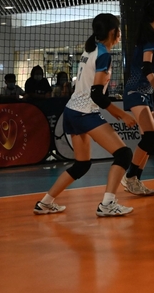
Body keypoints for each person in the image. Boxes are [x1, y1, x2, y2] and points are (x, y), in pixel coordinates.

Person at [34, 13, 137, 217]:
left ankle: (45, 203)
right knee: (124, 154)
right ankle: (107, 204)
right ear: (113, 32)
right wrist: (121, 114)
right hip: (85, 112)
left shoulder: (90, 50)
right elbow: (96, 94)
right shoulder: (103, 55)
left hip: (71, 111)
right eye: (118, 30)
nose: (120, 34)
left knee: (82, 164)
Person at [122, 0, 154, 195]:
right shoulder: (150, 39)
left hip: (145, 92)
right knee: (151, 136)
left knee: (149, 139)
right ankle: (129, 177)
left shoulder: (150, 37)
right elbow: (145, 68)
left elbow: (147, 65)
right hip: (137, 91)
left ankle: (135, 180)